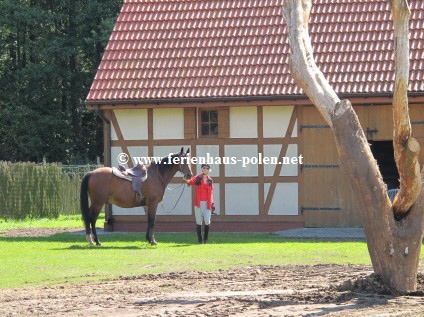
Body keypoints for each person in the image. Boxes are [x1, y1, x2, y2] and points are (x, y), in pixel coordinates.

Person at [183, 163, 215, 244]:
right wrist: (185, 180)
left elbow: (211, 193)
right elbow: (190, 182)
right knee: (198, 221)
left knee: (207, 221)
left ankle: (206, 239)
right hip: (198, 204)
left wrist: (212, 203)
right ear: (202, 169)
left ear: (209, 170)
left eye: (207, 168)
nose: (205, 169)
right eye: (204, 168)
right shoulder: (197, 178)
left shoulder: (210, 180)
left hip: (207, 204)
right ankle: (200, 240)